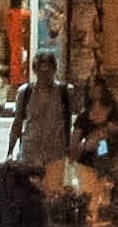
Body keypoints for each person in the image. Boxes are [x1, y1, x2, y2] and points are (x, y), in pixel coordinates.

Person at [8, 49, 75, 191]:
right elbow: (17, 123)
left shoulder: (65, 92)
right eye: (41, 71)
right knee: (28, 197)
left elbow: (71, 122)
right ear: (35, 70)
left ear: (54, 70)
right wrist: (9, 152)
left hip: (55, 155)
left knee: (52, 197)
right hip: (29, 155)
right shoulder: (25, 93)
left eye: (48, 71)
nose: (45, 76)